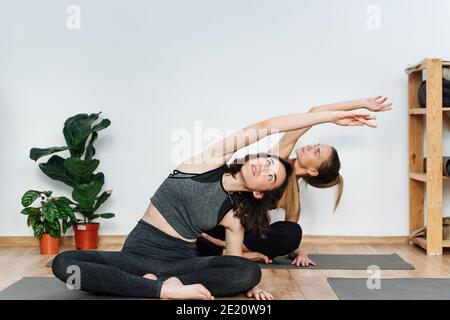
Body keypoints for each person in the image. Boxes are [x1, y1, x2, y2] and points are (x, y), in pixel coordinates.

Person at [52, 108, 376, 299]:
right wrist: (339, 114)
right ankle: (164, 291)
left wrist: (251, 287)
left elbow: (233, 264)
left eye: (270, 176)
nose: (264, 167)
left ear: (261, 192)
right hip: (137, 253)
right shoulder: (207, 161)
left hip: (181, 265)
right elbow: (266, 127)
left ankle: (154, 287)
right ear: (257, 156)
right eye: (267, 162)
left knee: (247, 272)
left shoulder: (235, 215)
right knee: (65, 264)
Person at [197, 97, 392, 267]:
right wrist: (361, 104)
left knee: (292, 231)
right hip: (217, 220)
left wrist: (300, 253)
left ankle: (230, 249)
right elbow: (314, 112)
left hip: (235, 232)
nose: (310, 146)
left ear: (313, 171)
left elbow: (289, 240)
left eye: (316, 152)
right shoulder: (278, 158)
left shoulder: (293, 198)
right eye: (316, 146)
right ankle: (233, 252)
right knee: (197, 241)